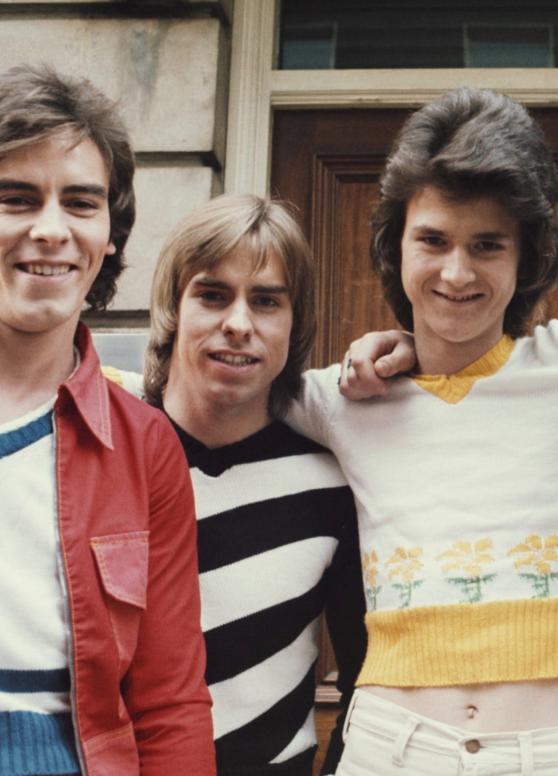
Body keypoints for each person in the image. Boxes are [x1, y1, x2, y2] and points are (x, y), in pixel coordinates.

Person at [0, 64, 213, 774]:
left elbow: (169, 701)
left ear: (111, 236)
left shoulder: (145, 447)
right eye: (17, 199)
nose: (51, 230)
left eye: (82, 204)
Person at [287, 87, 558, 775]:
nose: (456, 272)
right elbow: (198, 391)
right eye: (433, 241)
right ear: (396, 245)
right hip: (387, 746)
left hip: (550, 754)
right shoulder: (343, 397)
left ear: (526, 256)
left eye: (487, 245)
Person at [137, 194, 366, 776]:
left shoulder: (333, 485)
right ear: (172, 307)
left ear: (295, 322)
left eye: (266, 301)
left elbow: (367, 683)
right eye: (212, 295)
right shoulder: (108, 451)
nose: (238, 324)